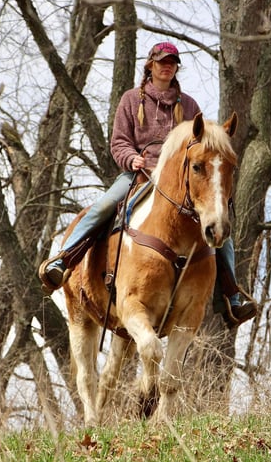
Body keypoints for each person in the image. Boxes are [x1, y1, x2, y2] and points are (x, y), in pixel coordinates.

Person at [38, 41, 257, 327]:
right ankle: (63, 261)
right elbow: (118, 142)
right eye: (162, 61)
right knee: (103, 207)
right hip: (139, 176)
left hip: (180, 185)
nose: (167, 66)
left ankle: (231, 296)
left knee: (218, 230)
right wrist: (132, 160)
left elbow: (202, 148)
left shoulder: (190, 106)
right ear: (150, 65)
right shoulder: (131, 100)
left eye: (172, 62)